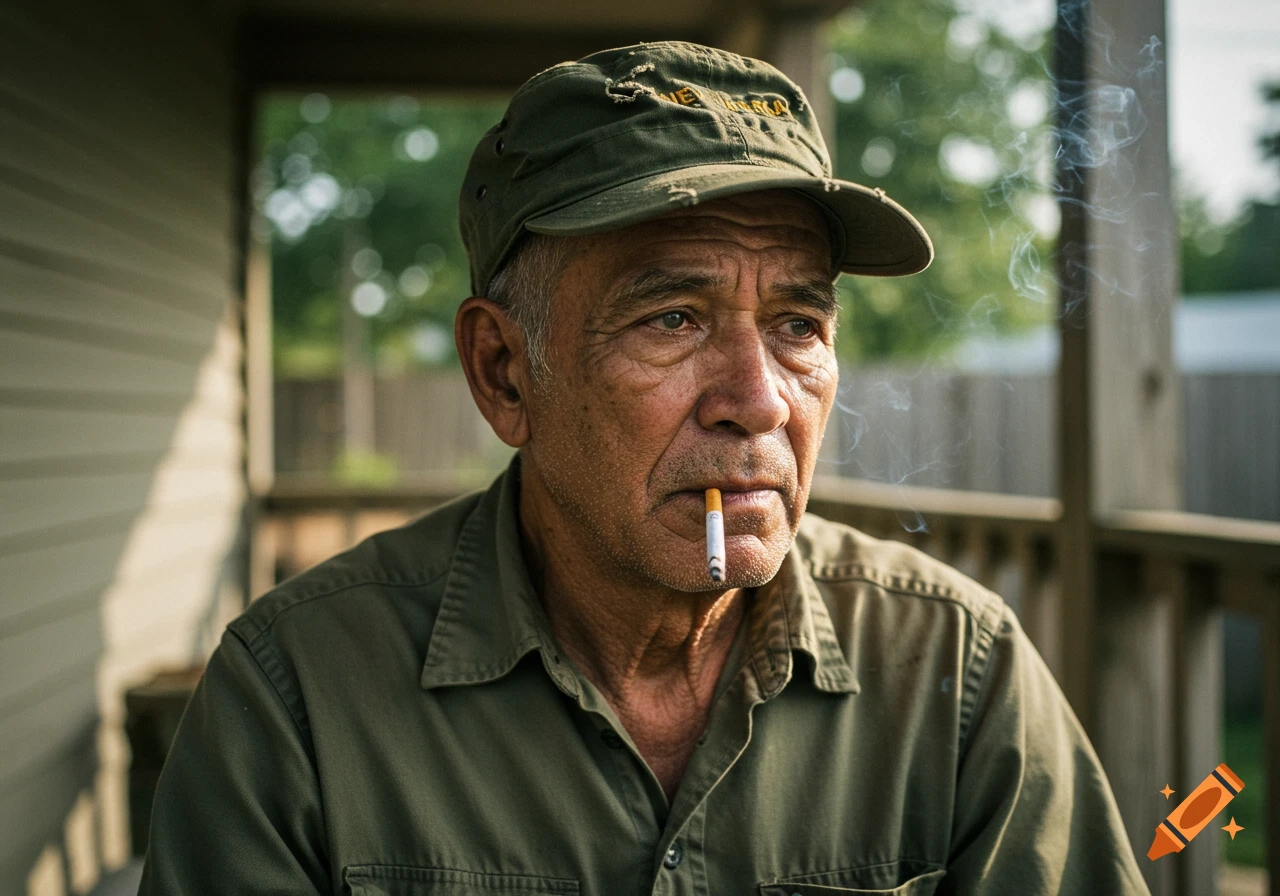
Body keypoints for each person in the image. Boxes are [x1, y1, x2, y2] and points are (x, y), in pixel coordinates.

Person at [139, 40, 1152, 895]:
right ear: (504, 372)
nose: (756, 399)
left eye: (797, 323)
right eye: (672, 318)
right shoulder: (298, 696)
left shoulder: (956, 675)